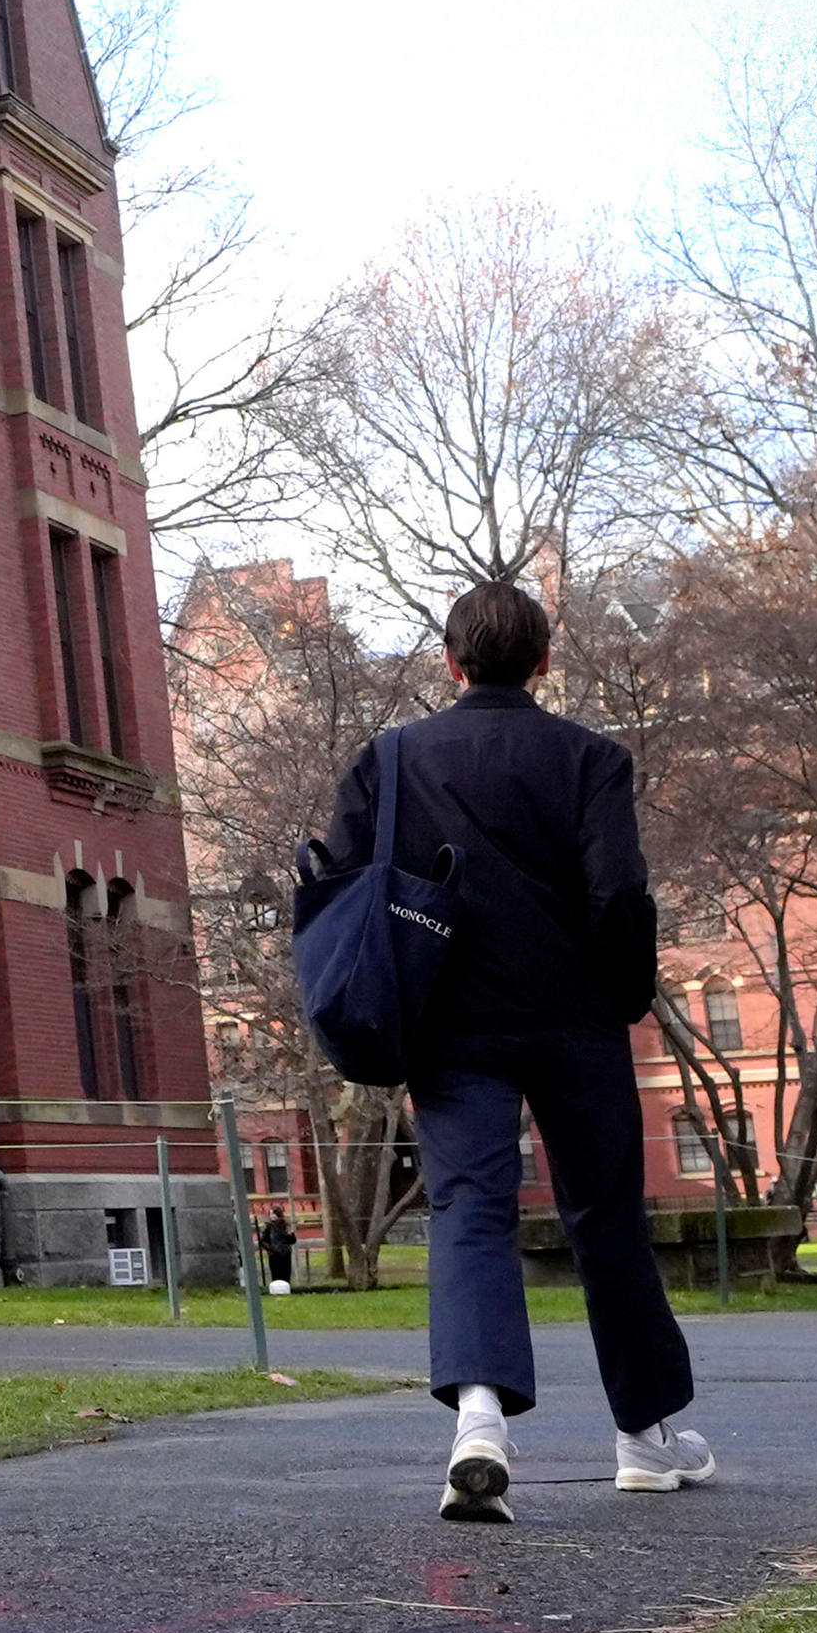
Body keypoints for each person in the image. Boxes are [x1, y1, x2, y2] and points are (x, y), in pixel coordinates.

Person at [320, 575, 708, 1524]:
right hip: (575, 1017)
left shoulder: (392, 758)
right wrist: (622, 996)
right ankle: (646, 1438)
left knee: (469, 1208)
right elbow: (618, 896)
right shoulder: (592, 759)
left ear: (451, 663)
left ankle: (480, 1423)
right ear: (544, 661)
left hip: (450, 1021)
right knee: (606, 1215)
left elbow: (335, 879)